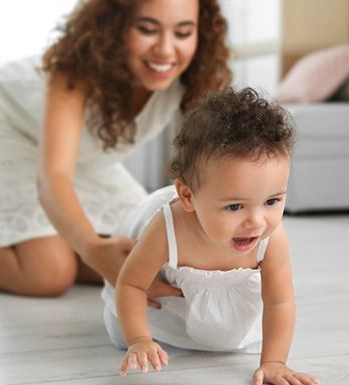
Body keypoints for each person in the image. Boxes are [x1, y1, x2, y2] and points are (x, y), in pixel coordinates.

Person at [0, 0, 232, 299]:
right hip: (5, 126)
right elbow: (54, 176)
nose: (166, 50)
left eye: (183, 33)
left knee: (143, 253)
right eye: (147, 29)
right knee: (48, 274)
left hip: (84, 157)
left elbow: (215, 167)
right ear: (114, 26)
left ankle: (44, 243)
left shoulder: (193, 77)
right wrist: (90, 246)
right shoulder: (74, 69)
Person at [101, 88, 319, 385]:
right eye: (234, 206)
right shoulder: (168, 229)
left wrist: (274, 362)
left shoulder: (272, 238)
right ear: (188, 196)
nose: (256, 222)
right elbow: (131, 284)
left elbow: (279, 301)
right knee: (119, 332)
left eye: (272, 201)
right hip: (169, 308)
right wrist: (139, 339)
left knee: (229, 340)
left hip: (225, 315)